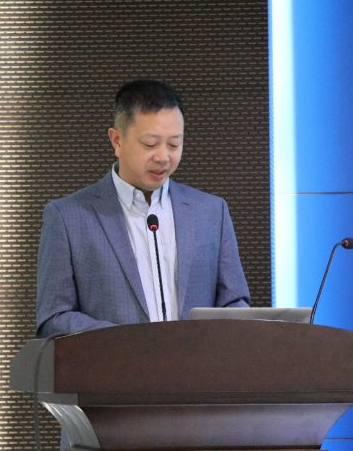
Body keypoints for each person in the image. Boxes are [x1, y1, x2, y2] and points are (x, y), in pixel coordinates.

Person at [36, 79, 250, 338]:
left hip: (198, 363)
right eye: (150, 144)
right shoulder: (68, 217)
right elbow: (54, 318)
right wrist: (130, 342)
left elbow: (234, 302)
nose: (163, 157)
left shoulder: (211, 212)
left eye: (174, 144)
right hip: (114, 362)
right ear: (117, 140)